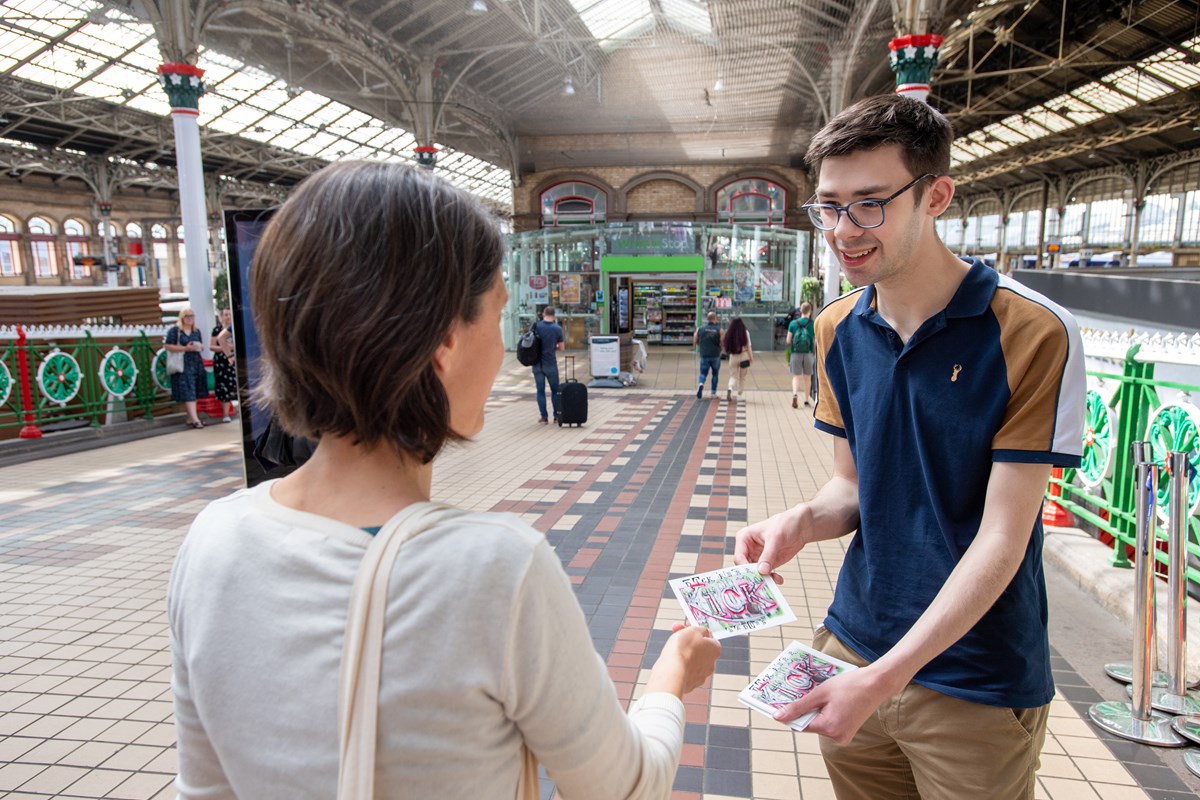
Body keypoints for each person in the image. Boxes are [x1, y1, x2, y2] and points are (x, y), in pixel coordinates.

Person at [167, 161, 721, 800]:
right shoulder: (495, 568)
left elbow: (204, 790)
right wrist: (672, 676)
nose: (503, 344)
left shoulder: (212, 542)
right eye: (496, 314)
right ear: (443, 346)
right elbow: (623, 787)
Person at [734, 94, 1085, 800]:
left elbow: (1003, 537)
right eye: (828, 207)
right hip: (854, 644)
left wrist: (886, 676)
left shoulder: (1031, 331)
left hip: (974, 678)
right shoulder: (838, 328)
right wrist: (802, 521)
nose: (843, 230)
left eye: (870, 204)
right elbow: (854, 487)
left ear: (937, 195)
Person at [165, 307, 208, 429]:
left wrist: (198, 347)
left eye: (192, 316)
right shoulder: (175, 331)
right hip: (183, 363)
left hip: (196, 362)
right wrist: (185, 348)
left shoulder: (196, 331)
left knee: (194, 390)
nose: (190, 318)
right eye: (187, 316)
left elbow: (202, 346)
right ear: (182, 318)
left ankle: (190, 417)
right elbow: (168, 346)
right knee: (188, 390)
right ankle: (195, 419)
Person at [530, 306, 564, 424]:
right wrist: (553, 346)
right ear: (554, 315)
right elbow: (562, 348)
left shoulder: (536, 326)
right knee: (555, 391)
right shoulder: (557, 328)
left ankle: (544, 417)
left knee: (540, 391)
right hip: (550, 363)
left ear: (544, 314)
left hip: (537, 364)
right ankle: (556, 416)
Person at [786, 302, 815, 408]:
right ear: (810, 311)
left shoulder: (793, 324)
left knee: (796, 377)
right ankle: (806, 400)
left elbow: (788, 340)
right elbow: (814, 341)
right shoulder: (812, 324)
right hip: (808, 353)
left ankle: (795, 394)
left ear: (800, 311)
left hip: (795, 353)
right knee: (807, 377)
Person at [211, 308, 237, 422]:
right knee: (224, 387)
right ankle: (226, 414)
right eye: (225, 315)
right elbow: (218, 339)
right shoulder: (217, 329)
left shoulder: (235, 324)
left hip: (235, 358)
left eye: (229, 314)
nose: (228, 317)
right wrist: (228, 353)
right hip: (223, 361)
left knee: (236, 386)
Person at [693, 310, 722, 399]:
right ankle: (713, 393)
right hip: (715, 355)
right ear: (715, 319)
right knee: (715, 374)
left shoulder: (700, 329)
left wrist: (703, 345)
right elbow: (722, 343)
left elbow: (695, 341)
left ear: (707, 319)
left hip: (704, 354)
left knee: (703, 373)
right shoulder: (719, 330)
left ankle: (701, 384)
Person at [722, 317, 752, 402]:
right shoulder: (745, 332)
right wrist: (751, 357)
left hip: (733, 356)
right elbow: (749, 346)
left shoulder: (729, 332)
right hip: (744, 356)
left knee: (733, 376)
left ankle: (730, 388)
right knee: (742, 377)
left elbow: (725, 345)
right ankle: (739, 395)